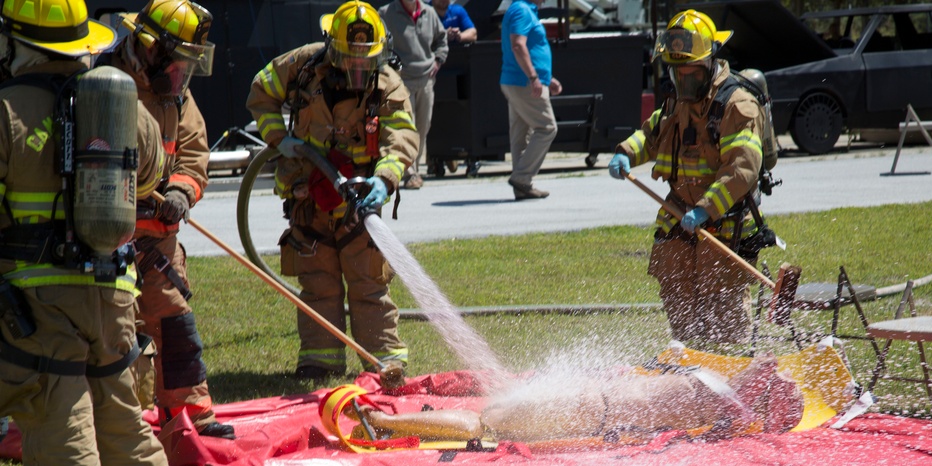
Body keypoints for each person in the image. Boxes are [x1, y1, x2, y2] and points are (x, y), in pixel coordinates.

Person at [0, 0, 182, 466]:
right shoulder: (120, 98)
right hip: (113, 289)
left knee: (57, 412)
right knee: (116, 403)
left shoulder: (5, 107)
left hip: (37, 294)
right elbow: (153, 169)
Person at [246, 1, 419, 382]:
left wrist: (385, 179)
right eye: (349, 58)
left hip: (358, 203)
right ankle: (319, 362)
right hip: (308, 196)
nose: (359, 69)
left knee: (367, 282)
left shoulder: (387, 82)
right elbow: (261, 91)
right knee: (318, 283)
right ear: (331, 47)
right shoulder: (304, 66)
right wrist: (280, 138)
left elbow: (403, 135)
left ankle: (386, 364)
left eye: (366, 61)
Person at [103, 0, 234, 440]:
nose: (183, 71)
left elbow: (195, 152)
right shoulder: (103, 83)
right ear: (149, 47)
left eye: (189, 62)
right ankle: (114, 427)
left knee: (175, 324)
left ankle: (192, 417)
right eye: (178, 59)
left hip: (158, 244)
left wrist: (179, 189)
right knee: (114, 334)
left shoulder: (176, 89)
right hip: (107, 240)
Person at [608, 10, 771, 343]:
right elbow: (652, 134)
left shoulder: (737, 106)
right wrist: (625, 153)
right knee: (678, 296)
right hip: (679, 216)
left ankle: (731, 374)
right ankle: (691, 365)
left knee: (722, 311)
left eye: (692, 74)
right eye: (677, 74)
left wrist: (706, 209)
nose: (684, 82)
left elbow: (743, 168)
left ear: (710, 62)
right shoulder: (679, 102)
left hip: (724, 222)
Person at [336, 353, 804, 443]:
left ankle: (387, 425)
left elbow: (762, 369)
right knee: (489, 418)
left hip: (586, 406)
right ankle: (387, 423)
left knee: (488, 421)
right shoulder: (728, 401)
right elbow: (763, 367)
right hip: (588, 404)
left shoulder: (728, 404)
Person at [379, 0, 448, 189]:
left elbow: (442, 39)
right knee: (405, 127)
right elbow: (379, 43)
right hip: (401, 80)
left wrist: (439, 60)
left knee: (423, 127)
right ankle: (410, 173)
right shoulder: (386, 13)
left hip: (426, 78)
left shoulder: (429, 13)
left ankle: (414, 168)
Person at [500, 0, 562, 200]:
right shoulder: (522, 10)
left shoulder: (523, 10)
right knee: (547, 128)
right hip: (524, 83)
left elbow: (527, 49)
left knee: (520, 134)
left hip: (519, 81)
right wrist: (534, 78)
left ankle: (522, 186)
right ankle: (521, 177)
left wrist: (546, 78)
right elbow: (518, 46)